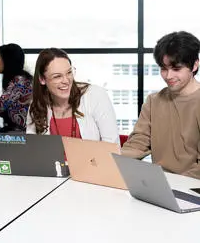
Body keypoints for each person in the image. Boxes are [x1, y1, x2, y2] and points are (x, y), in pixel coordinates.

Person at [122, 31, 200, 179]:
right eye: (164, 69)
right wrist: (111, 159)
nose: (168, 76)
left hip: (193, 188)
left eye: (176, 69)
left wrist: (175, 184)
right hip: (160, 184)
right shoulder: (154, 101)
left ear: (195, 65)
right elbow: (138, 143)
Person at [26, 48, 119, 142]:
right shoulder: (37, 106)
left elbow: (112, 146)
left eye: (69, 72)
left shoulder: (95, 95)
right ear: (42, 79)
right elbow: (32, 148)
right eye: (57, 76)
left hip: (95, 157)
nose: (66, 81)